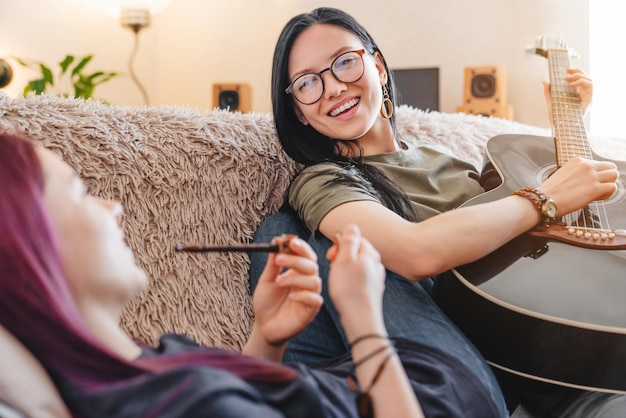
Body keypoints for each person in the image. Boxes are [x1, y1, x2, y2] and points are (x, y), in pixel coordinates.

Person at [250, 6, 621, 418]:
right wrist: (544, 198)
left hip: (566, 355)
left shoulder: (446, 158)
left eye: (344, 63)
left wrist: (573, 125)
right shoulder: (322, 180)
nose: (333, 87)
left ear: (377, 65)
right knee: (281, 230)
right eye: (307, 83)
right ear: (299, 111)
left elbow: (535, 244)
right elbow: (415, 252)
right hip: (474, 374)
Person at [0, 133, 510, 417]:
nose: (112, 208)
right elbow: (419, 255)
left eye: (345, 64)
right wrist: (363, 318)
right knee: (302, 226)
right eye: (79, 194)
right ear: (27, 243)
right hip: (439, 395)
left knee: (283, 227)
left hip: (348, 380)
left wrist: (266, 337)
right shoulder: (181, 404)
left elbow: (254, 394)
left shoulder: (143, 364)